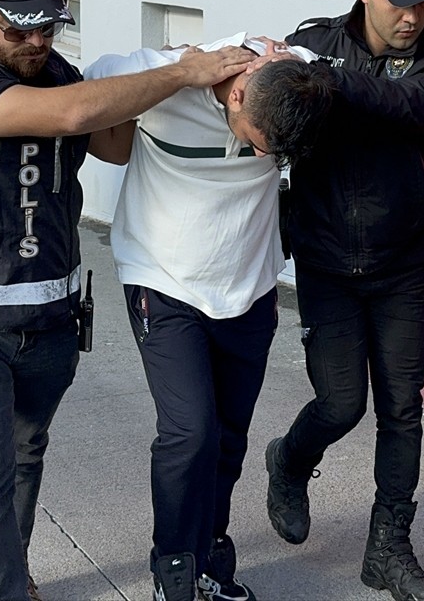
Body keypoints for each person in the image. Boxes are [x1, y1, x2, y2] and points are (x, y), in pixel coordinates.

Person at [0, 0, 254, 601]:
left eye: (49, 26)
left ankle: (13, 572)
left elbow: (113, 144)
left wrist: (191, 79)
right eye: (18, 28)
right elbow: (70, 115)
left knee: (25, 456)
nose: (36, 43)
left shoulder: (61, 72)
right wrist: (182, 71)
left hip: (50, 319)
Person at [262, 0, 424, 601]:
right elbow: (268, 111)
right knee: (340, 403)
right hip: (327, 263)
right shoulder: (316, 44)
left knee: (402, 410)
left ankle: (388, 549)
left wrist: (327, 82)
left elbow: (412, 105)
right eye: (398, 0)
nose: (413, 16)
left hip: (400, 264)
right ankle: (289, 460)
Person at [84, 35, 336, 601]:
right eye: (257, 143)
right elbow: (88, 85)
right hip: (164, 281)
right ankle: (173, 568)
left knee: (227, 439)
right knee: (189, 431)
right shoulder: (163, 73)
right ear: (237, 95)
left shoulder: (295, 74)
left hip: (248, 289)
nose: (264, 156)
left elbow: (316, 57)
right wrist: (177, 73)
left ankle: (211, 559)